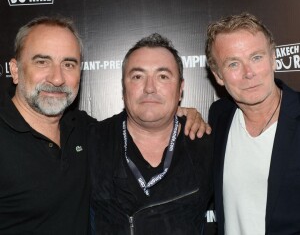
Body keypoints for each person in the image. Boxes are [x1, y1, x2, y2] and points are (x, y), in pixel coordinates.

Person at [0, 16, 209, 234]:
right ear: (15, 70)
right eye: (42, 62)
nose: (57, 78)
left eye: (68, 64)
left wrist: (178, 112)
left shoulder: (86, 131)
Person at [89, 33, 214, 234]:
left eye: (163, 76)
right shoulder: (91, 141)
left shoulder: (206, 146)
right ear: (123, 88)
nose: (149, 88)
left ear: (180, 88)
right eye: (138, 76)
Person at [205, 12, 300, 235]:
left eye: (256, 58)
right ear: (218, 75)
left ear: (273, 59)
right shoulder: (219, 116)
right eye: (233, 64)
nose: (249, 73)